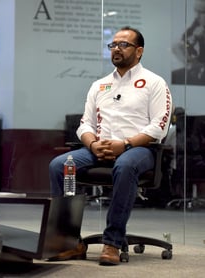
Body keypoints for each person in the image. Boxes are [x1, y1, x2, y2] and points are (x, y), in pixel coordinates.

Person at [49, 26, 172, 265]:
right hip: (99, 149)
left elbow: (159, 126)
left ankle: (113, 242)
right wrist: (93, 144)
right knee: (59, 165)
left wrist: (124, 144)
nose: (116, 49)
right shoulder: (100, 85)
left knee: (125, 165)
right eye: (113, 45)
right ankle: (69, 241)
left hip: (140, 150)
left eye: (123, 45)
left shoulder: (154, 83)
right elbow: (85, 125)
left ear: (139, 51)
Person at [172, 0, 205, 85]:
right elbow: (183, 42)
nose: (197, 16)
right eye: (196, 11)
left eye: (201, 12)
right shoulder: (198, 23)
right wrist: (192, 40)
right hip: (198, 66)